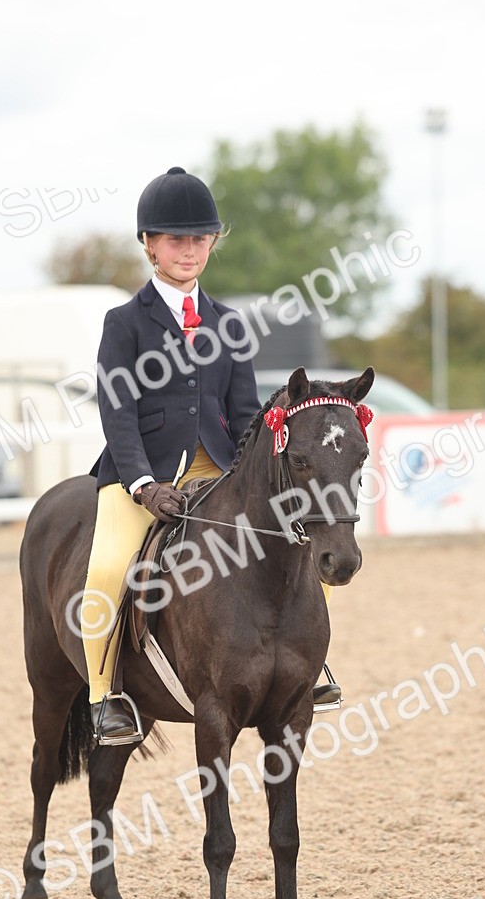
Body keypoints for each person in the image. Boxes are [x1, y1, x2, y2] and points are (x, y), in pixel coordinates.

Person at [83, 166, 340, 744]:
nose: (189, 250)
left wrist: (267, 473)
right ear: (149, 245)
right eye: (176, 240)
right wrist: (143, 484)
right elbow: (117, 412)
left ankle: (308, 666)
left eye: (200, 239)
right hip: (143, 472)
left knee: (302, 546)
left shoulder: (230, 322)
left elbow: (246, 414)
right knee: (105, 571)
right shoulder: (123, 323)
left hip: (221, 469)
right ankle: (107, 698)